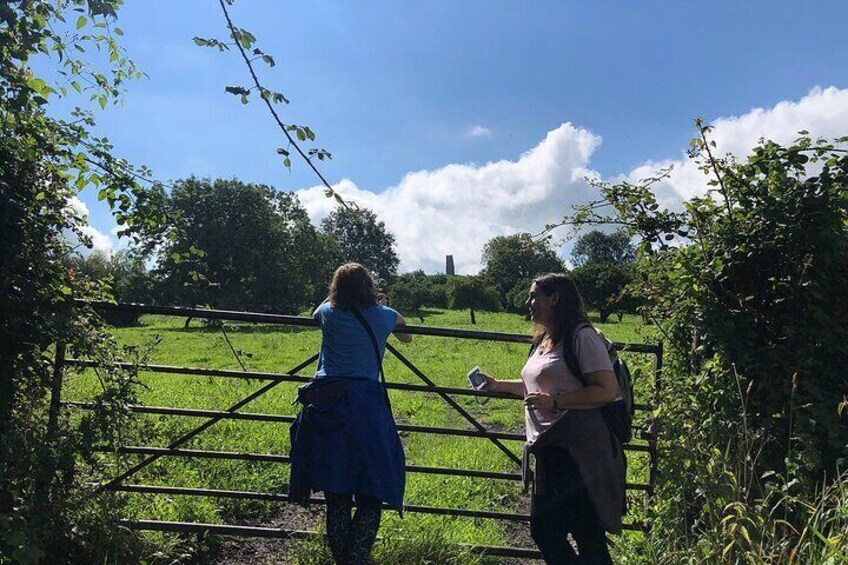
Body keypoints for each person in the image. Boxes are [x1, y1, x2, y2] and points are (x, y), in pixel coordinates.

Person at [479, 273, 625, 564]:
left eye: (534, 296)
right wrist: (498, 385)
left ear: (554, 298)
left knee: (580, 534)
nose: (527, 302)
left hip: (579, 451)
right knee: (549, 530)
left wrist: (557, 402)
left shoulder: (582, 336)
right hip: (552, 450)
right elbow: (537, 389)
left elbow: (607, 390)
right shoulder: (544, 339)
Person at [289, 263, 412, 565]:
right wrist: (381, 305)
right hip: (365, 408)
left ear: (335, 287)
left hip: (327, 405)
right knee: (371, 492)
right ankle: (356, 558)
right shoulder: (385, 316)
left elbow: (314, 315)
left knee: (337, 493)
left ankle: (345, 560)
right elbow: (407, 336)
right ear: (369, 284)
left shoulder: (328, 312)